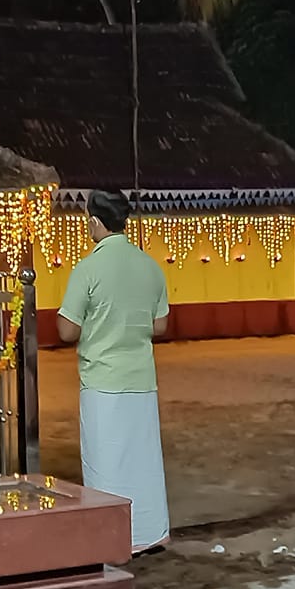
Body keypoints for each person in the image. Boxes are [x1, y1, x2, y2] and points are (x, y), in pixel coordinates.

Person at [57, 191, 172, 552]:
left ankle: (112, 538)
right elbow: (161, 325)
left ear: (94, 221)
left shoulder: (88, 268)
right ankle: (150, 533)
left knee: (105, 463)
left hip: (102, 381)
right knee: (143, 461)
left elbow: (66, 330)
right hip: (140, 378)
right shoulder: (149, 265)